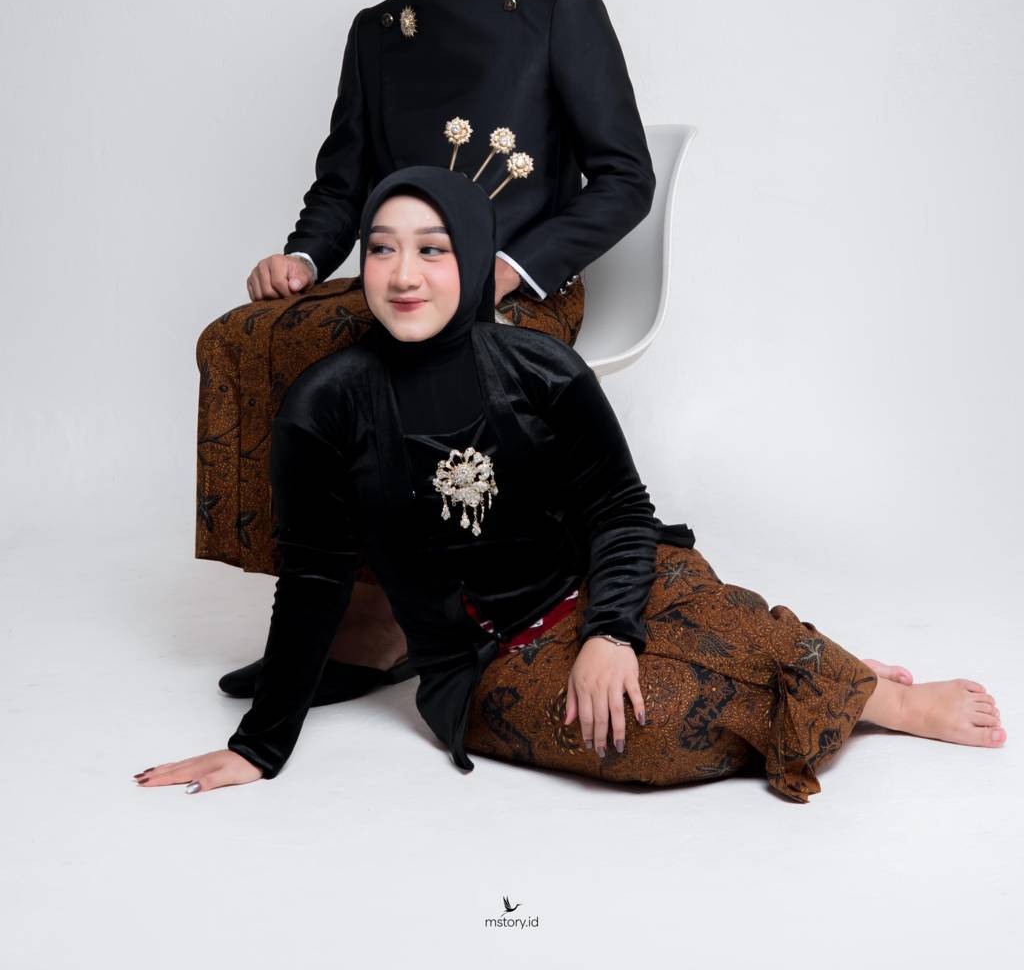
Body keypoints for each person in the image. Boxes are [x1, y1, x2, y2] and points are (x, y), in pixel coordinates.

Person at [142, 168, 1006, 801]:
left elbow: (622, 511)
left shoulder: (539, 365)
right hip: (487, 663)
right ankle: (823, 678)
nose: (403, 275)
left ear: (473, 256)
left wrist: (611, 632)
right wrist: (259, 748)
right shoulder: (323, 406)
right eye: (381, 250)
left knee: (721, 613)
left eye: (432, 250)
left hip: (603, 581)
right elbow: (314, 580)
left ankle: (874, 696)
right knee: (651, 727)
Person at [196, 0, 656, 686]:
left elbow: (624, 178)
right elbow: (344, 184)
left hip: (522, 285)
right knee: (243, 338)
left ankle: (389, 619)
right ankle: (335, 593)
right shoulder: (375, 33)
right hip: (405, 278)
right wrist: (302, 256)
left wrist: (510, 270)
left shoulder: (559, 2)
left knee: (380, 356)